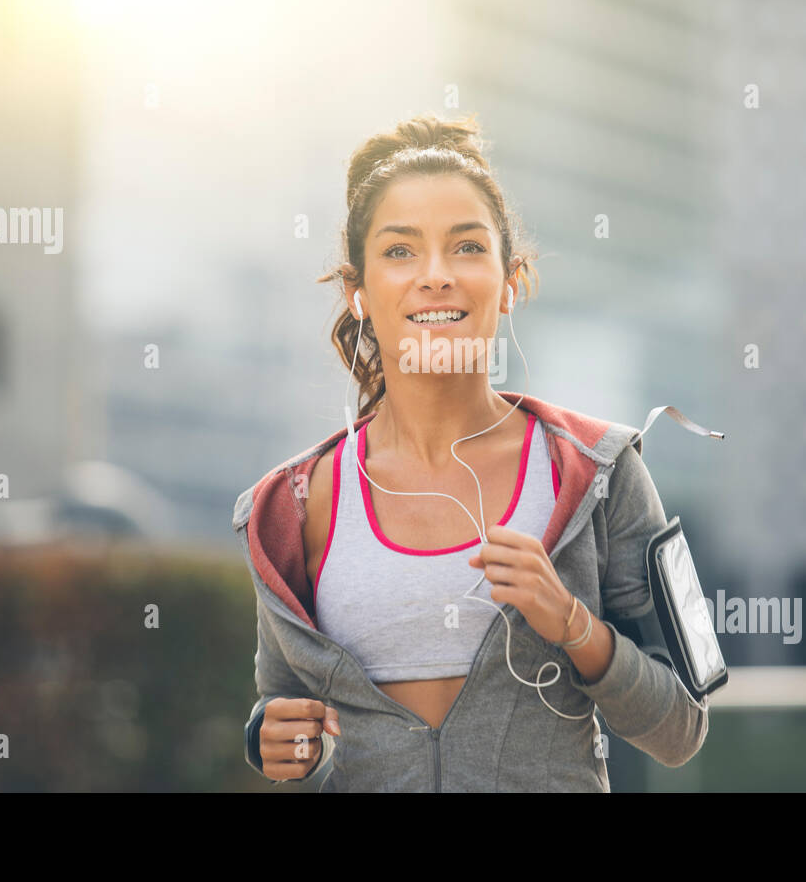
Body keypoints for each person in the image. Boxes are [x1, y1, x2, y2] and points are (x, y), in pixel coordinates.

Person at [232, 112, 709, 791]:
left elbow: (682, 729)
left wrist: (573, 624)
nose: (435, 276)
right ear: (357, 292)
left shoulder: (604, 470)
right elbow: (281, 704)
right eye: (400, 251)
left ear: (511, 281)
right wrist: (270, 737)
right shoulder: (289, 505)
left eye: (466, 247)